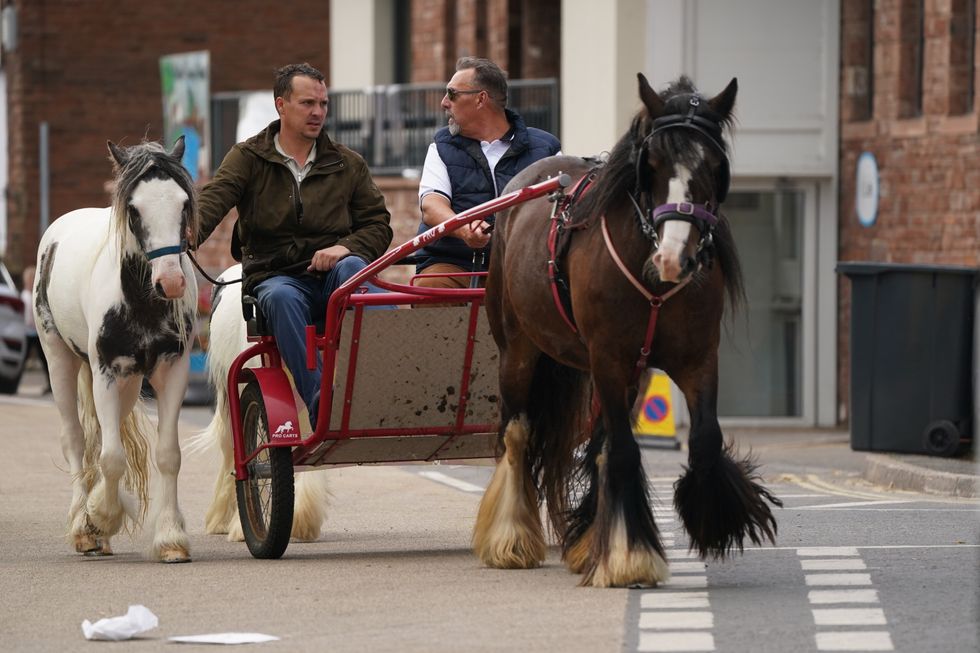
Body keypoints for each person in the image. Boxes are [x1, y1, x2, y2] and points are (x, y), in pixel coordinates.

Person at [196, 63, 392, 426]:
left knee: (354, 269)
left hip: (334, 276)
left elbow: (379, 225)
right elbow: (212, 202)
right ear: (281, 105)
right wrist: (181, 235)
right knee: (281, 296)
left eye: (323, 104)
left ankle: (388, 386)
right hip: (277, 278)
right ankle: (322, 406)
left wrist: (345, 247)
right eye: (307, 103)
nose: (318, 112)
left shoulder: (348, 164)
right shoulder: (248, 159)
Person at [414, 56, 561, 288]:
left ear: (481, 99)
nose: (444, 102)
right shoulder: (440, 146)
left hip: (524, 265)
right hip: (454, 262)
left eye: (452, 94)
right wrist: (465, 230)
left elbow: (562, 209)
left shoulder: (546, 149)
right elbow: (431, 208)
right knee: (431, 286)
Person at [20, 266, 50, 394]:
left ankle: (50, 384)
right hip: (28, 332)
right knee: (22, 360)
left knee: (44, 359)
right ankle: (14, 381)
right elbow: (28, 316)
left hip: (34, 332)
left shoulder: (31, 295)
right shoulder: (26, 296)